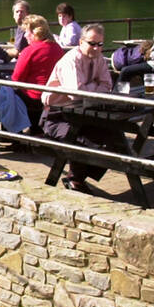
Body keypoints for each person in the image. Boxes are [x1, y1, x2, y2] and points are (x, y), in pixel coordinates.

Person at [40, 24, 114, 193]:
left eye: (100, 44)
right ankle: (75, 179)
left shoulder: (99, 59)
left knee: (112, 139)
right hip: (57, 115)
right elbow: (77, 93)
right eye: (92, 43)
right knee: (84, 140)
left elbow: (107, 86)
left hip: (85, 112)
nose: (96, 48)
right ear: (81, 42)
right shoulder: (71, 60)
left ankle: (77, 177)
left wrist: (89, 86)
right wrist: (94, 85)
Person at [10, 15, 64, 131]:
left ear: (35, 33)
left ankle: (10, 132)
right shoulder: (58, 49)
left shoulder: (29, 51)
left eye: (26, 32)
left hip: (33, 97)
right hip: (54, 96)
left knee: (4, 92)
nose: (24, 36)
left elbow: (16, 79)